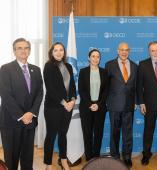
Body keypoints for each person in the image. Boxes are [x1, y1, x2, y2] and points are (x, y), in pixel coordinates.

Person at [0, 38, 43, 170]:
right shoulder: (6, 69)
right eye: (19, 48)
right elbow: (6, 95)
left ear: (29, 50)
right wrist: (21, 115)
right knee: (11, 160)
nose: (23, 50)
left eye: (26, 48)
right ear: (14, 51)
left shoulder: (36, 69)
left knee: (27, 157)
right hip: (11, 122)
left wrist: (31, 113)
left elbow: (39, 93)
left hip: (30, 121)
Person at [43, 42, 76, 170]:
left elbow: (72, 86)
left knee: (63, 134)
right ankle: (48, 164)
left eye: (61, 50)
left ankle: (63, 161)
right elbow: (51, 89)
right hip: (53, 107)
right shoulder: (48, 66)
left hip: (68, 107)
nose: (58, 52)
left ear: (64, 52)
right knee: (51, 135)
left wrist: (72, 100)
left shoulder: (69, 66)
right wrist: (65, 103)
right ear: (51, 52)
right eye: (55, 50)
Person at [105, 42, 137, 167]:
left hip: (129, 105)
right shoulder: (109, 65)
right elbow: (105, 86)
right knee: (114, 132)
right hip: (114, 104)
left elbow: (137, 87)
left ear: (129, 51)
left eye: (126, 50)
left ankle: (127, 156)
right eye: (122, 50)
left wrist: (136, 101)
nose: (124, 52)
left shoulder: (135, 66)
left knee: (128, 133)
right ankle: (114, 156)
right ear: (118, 51)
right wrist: (106, 102)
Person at [78, 49, 108, 161]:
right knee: (87, 133)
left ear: (100, 59)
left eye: (98, 57)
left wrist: (98, 105)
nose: (95, 59)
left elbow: (106, 91)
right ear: (89, 58)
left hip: (100, 107)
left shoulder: (104, 72)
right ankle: (89, 157)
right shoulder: (83, 71)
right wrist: (90, 104)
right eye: (93, 56)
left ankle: (96, 156)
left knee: (98, 133)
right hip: (86, 107)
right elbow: (81, 90)